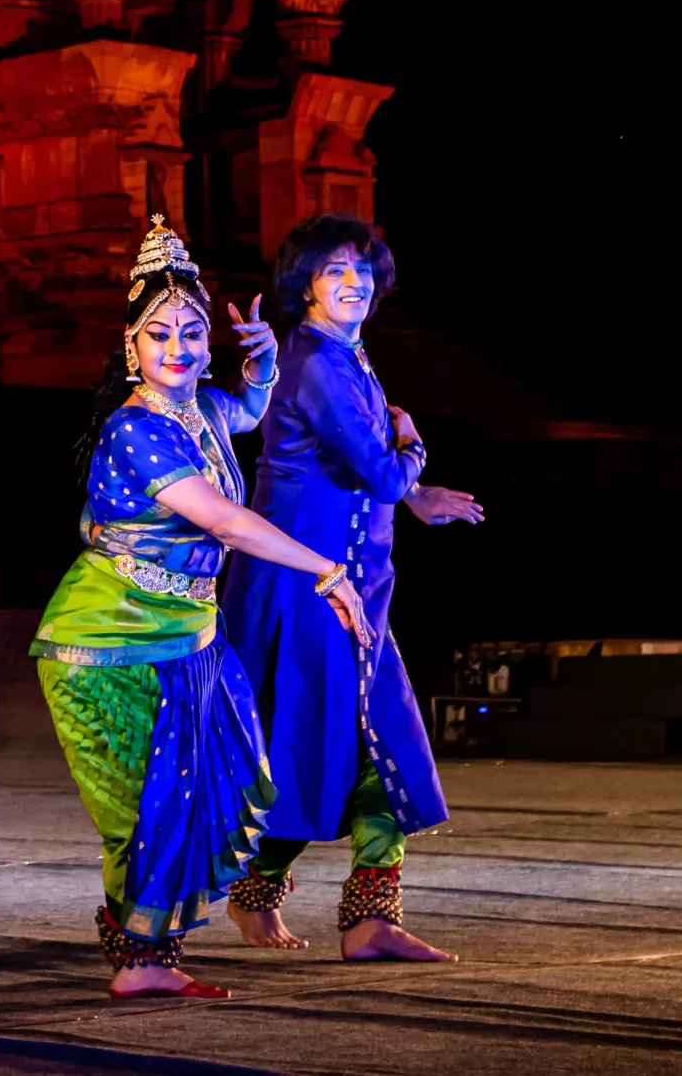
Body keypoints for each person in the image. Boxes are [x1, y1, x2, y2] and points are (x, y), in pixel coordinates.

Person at [31, 215, 374, 998]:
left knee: (212, 780)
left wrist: (258, 366)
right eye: (160, 336)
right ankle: (143, 959)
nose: (179, 349)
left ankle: (145, 948)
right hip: (105, 639)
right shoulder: (135, 429)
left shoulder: (203, 411)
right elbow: (223, 517)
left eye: (191, 332)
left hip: (189, 634)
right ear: (132, 348)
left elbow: (246, 412)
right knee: (144, 803)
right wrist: (326, 568)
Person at [219, 212, 485, 962]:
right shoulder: (317, 363)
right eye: (337, 271)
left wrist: (415, 492)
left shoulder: (347, 354)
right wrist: (413, 448)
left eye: (363, 273)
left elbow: (368, 473)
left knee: (361, 741)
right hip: (304, 582)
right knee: (320, 741)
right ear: (303, 284)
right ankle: (262, 893)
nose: (355, 284)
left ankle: (360, 915)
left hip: (353, 580)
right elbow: (376, 464)